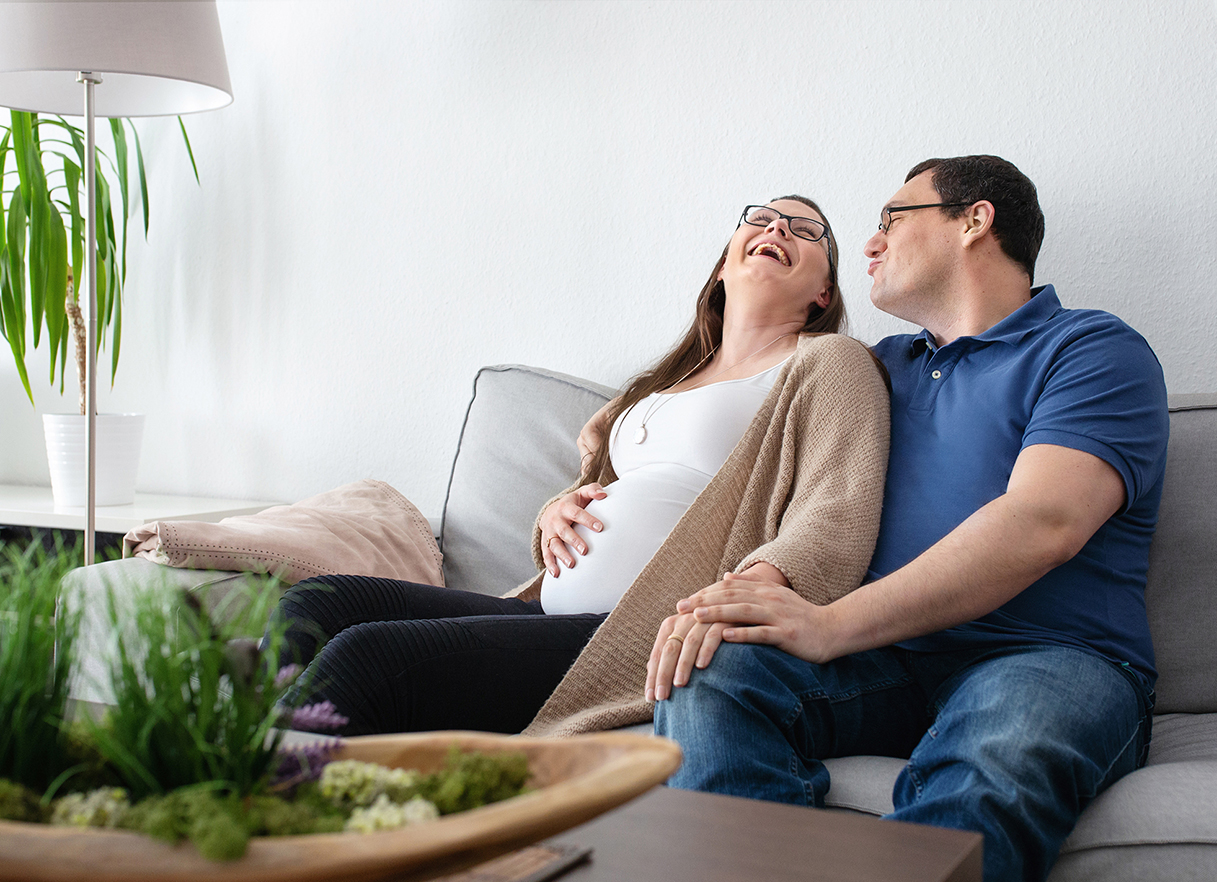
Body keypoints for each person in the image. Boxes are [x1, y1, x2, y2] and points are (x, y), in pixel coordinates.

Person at [650, 156, 1168, 882]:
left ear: (973, 220)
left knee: (1004, 749)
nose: (868, 243)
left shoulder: (1091, 350)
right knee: (712, 672)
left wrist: (829, 626)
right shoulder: (868, 369)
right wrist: (588, 484)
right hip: (884, 659)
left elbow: (1042, 521)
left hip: (1051, 654)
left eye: (893, 218)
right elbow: (742, 473)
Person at [268, 196, 890, 738]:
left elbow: (837, 510)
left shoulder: (828, 363)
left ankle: (250, 816)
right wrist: (555, 512)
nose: (778, 230)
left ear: (824, 293)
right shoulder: (664, 385)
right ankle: (225, 774)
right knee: (314, 601)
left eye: (806, 232)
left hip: (634, 633)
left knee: (369, 660)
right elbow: (594, 494)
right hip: (549, 609)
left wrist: (758, 587)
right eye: (762, 218)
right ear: (724, 264)